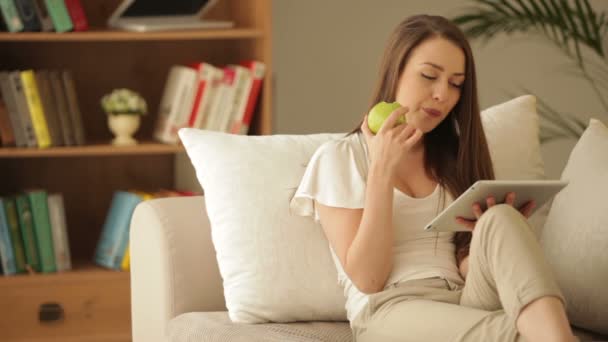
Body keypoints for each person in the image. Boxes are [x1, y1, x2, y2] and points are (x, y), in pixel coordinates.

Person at [289, 14, 577, 342]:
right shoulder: (340, 157)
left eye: (455, 84)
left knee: (500, 217)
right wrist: (381, 169)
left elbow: (464, 268)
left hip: (462, 297)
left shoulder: (453, 155)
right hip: (391, 306)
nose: (443, 94)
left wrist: (488, 238)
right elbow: (369, 279)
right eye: (429, 76)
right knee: (524, 334)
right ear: (395, 71)